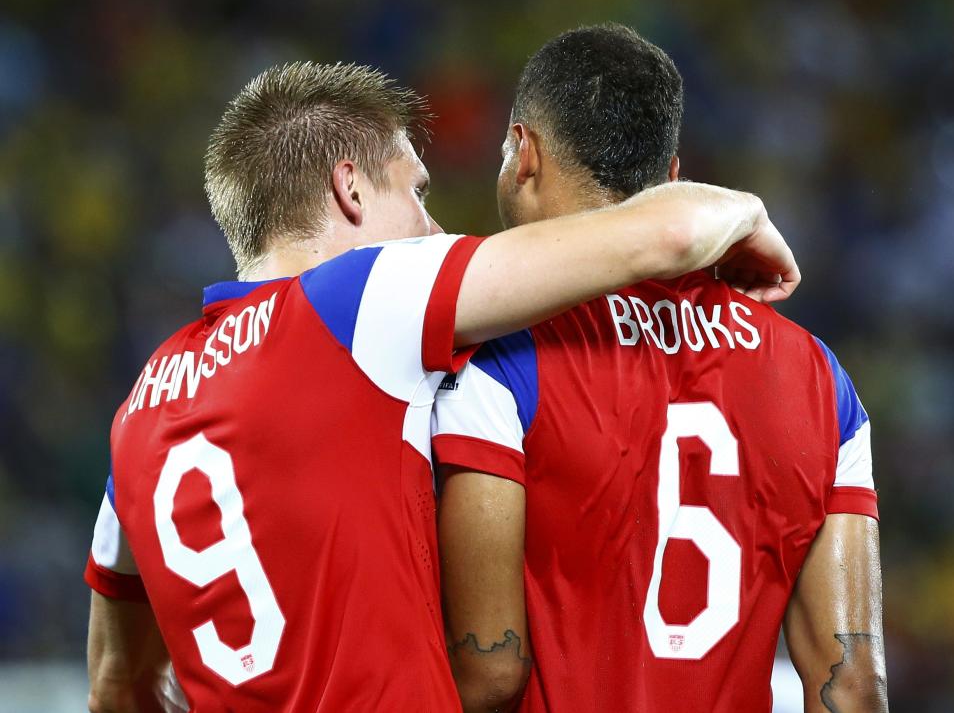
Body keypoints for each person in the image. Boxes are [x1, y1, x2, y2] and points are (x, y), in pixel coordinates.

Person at [83, 59, 799, 713]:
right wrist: (751, 214)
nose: (435, 225)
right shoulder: (354, 300)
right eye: (417, 191)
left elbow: (119, 682)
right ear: (350, 187)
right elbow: (670, 234)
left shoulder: (141, 408)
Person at [432, 25, 886, 713]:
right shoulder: (824, 380)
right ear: (674, 180)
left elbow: (488, 668)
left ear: (522, 153)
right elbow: (851, 685)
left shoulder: (501, 356)